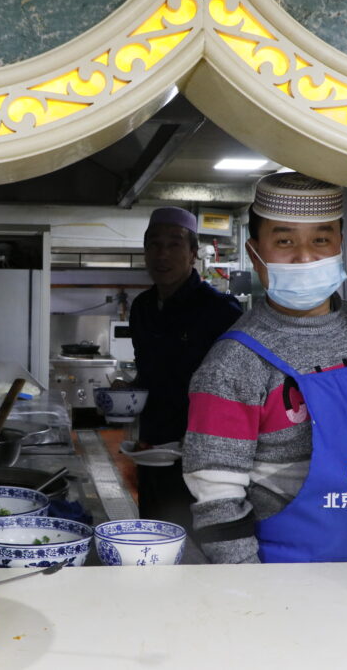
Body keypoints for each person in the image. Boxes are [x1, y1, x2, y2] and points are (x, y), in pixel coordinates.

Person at [182, 172, 347, 564]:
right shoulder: (234, 362)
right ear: (255, 251)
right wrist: (253, 589)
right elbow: (216, 493)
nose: (305, 256)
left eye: (321, 240)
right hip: (284, 574)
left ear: (340, 245)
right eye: (284, 241)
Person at [127, 206, 243, 534]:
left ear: (193, 253)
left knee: (200, 539)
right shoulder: (142, 308)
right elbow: (149, 374)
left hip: (205, 454)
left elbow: (239, 389)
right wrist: (128, 396)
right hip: (153, 450)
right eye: (154, 244)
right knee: (153, 528)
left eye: (174, 244)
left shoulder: (221, 311)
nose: (162, 254)